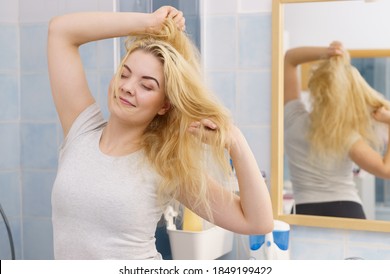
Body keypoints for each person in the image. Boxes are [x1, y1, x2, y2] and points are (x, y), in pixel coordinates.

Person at [47, 6, 273, 260]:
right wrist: (149, 23)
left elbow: (257, 223)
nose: (128, 88)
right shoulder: (81, 130)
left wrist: (236, 143)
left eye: (147, 85)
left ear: (164, 105)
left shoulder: (164, 164)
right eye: (124, 74)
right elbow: (60, 32)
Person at [284, 41, 390, 219]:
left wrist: (328, 52)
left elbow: (289, 59)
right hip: (346, 210)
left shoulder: (293, 119)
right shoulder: (345, 136)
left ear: (315, 89)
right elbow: (386, 171)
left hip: (303, 211)